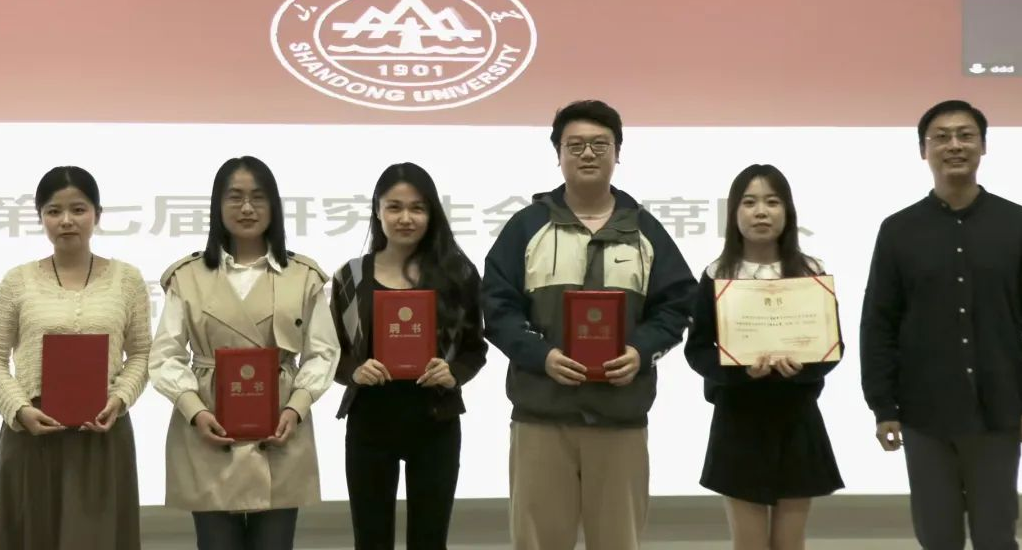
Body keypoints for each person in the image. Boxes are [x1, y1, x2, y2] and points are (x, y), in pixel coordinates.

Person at [482, 99, 697, 550]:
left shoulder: (646, 230)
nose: (587, 154)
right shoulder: (526, 227)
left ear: (618, 153)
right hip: (541, 414)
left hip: (620, 416)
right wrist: (541, 355)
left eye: (600, 144)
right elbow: (497, 308)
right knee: (538, 542)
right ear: (557, 154)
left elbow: (677, 306)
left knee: (618, 541)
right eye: (575, 144)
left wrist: (641, 351)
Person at [860, 99, 1022, 550]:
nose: (954, 145)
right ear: (923, 151)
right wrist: (883, 407)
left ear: (983, 146)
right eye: (941, 137)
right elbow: (878, 325)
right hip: (923, 414)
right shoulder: (898, 230)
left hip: (999, 411)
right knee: (937, 537)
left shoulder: (1019, 224)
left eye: (965, 135)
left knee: (996, 537)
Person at [148, 156, 341, 550]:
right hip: (209, 422)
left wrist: (296, 408)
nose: (247, 208)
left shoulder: (302, 275)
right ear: (217, 206)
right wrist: (194, 410)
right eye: (235, 197)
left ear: (274, 206)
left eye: (258, 197)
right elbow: (165, 354)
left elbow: (323, 352)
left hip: (280, 424)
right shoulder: (187, 276)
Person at [0, 166, 151, 549]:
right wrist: (19, 409)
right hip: (32, 434)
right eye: (53, 211)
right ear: (41, 217)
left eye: (78, 209)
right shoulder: (17, 281)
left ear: (97, 214)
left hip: (103, 434)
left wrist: (119, 399)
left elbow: (142, 353)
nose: (66, 220)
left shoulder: (127, 279)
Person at [329, 161, 487, 550]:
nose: (405, 218)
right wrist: (354, 371)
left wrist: (453, 371)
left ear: (432, 213)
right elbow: (330, 352)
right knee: (370, 539)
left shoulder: (457, 273)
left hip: (435, 421)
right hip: (370, 422)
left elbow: (475, 347)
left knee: (430, 540)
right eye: (394, 207)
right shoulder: (351, 276)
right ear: (377, 210)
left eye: (417, 208)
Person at [685, 164, 843, 550]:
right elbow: (698, 350)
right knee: (749, 544)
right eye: (749, 202)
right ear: (733, 213)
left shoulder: (810, 272)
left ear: (787, 211)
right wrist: (740, 372)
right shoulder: (718, 274)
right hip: (738, 420)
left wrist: (802, 367)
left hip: (797, 418)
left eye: (772, 202)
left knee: (790, 542)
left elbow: (832, 346)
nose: (761, 212)